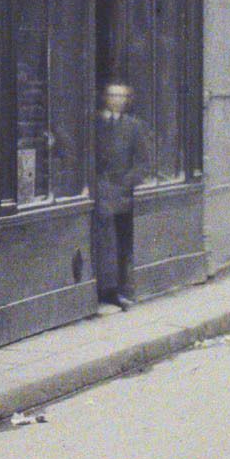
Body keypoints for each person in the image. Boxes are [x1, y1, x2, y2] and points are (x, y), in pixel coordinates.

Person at [94, 82, 150, 308]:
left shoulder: (134, 126)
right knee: (101, 241)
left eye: (121, 96)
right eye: (112, 95)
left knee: (119, 242)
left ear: (127, 100)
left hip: (121, 194)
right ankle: (99, 289)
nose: (117, 99)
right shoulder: (94, 123)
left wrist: (125, 183)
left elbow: (143, 163)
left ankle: (117, 290)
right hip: (97, 190)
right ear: (105, 97)